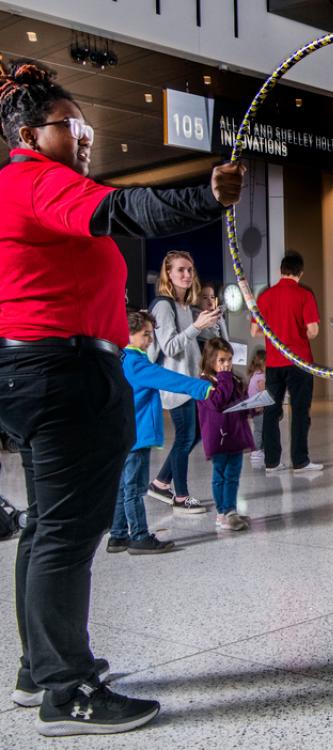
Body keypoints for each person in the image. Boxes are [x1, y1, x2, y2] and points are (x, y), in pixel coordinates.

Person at [0, 60, 242, 735]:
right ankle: (65, 690)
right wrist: (205, 197)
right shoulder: (35, 180)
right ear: (27, 131)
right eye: (71, 125)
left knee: (50, 525)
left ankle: (41, 669)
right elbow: (124, 208)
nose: (84, 136)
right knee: (69, 534)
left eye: (88, 127)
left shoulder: (32, 185)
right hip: (61, 369)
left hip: (47, 368)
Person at [108, 311, 214, 556]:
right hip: (137, 437)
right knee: (134, 489)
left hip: (124, 435)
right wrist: (200, 387)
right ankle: (139, 536)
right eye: (145, 335)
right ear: (128, 334)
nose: (150, 340)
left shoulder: (119, 359)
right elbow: (165, 378)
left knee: (123, 488)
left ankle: (117, 535)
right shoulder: (135, 362)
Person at [147, 250, 225, 514]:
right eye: (180, 269)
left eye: (190, 270)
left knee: (196, 434)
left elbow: (208, 340)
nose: (187, 275)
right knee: (184, 437)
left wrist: (209, 320)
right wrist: (196, 326)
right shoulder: (163, 305)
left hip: (190, 382)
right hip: (174, 383)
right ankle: (180, 497)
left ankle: (160, 483)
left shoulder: (186, 308)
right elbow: (169, 347)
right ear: (168, 273)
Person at [252, 253, 322, 473]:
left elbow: (254, 331)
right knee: (300, 411)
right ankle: (300, 461)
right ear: (300, 273)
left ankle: (272, 462)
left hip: (273, 363)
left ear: (280, 271)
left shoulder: (265, 296)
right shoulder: (305, 294)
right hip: (300, 363)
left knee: (272, 411)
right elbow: (313, 332)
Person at [197, 338, 255, 531]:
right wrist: (224, 378)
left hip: (235, 434)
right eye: (221, 360)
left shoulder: (233, 379)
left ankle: (231, 510)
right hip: (218, 437)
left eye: (229, 359)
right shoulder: (205, 382)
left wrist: (253, 408)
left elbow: (239, 403)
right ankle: (222, 513)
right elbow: (218, 402)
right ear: (210, 360)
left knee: (233, 475)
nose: (227, 364)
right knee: (220, 474)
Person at [246, 348, 267, 468]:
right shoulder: (261, 377)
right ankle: (256, 450)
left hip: (254, 408)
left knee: (259, 429)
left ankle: (258, 449)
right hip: (259, 409)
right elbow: (263, 393)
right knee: (260, 430)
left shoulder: (254, 375)